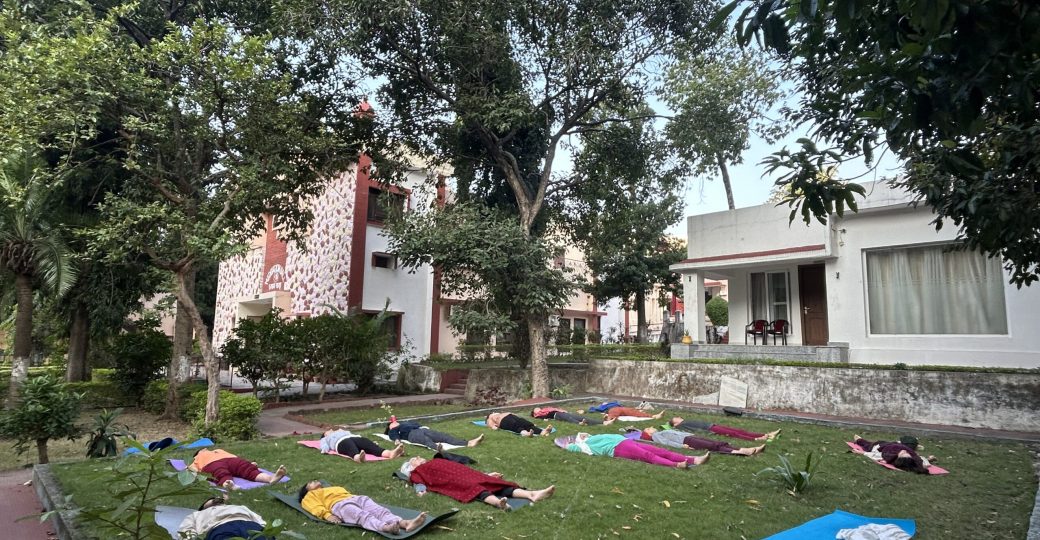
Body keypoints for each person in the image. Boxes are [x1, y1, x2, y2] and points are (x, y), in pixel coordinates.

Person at [399, 455, 555, 509]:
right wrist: (420, 490)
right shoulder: (416, 472)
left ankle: (532, 494)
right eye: (416, 459)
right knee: (473, 488)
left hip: (464, 473)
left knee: (493, 483)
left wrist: (486, 474)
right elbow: (418, 482)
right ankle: (497, 503)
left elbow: (464, 468)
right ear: (411, 465)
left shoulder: (435, 460)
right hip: (450, 481)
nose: (420, 458)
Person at [298, 480, 427, 534]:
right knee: (362, 516)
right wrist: (327, 515)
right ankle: (385, 527)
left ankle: (405, 523)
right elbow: (314, 507)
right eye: (310, 482)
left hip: (357, 498)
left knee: (380, 511)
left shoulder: (331, 488)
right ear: (306, 490)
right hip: (339, 505)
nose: (314, 481)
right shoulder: (309, 496)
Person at [564, 432, 710, 469]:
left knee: (660, 451)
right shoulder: (583, 446)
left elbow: (585, 435)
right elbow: (568, 446)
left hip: (625, 441)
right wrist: (571, 442)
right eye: (580, 437)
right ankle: (677, 465)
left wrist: (584, 435)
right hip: (618, 448)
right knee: (648, 456)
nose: (583, 436)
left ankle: (693, 460)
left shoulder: (591, 437)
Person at [178, 495, 272, 540]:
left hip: (250, 525)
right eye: (211, 499)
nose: (216, 500)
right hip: (220, 527)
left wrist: (265, 530)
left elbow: (259, 520)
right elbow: (186, 530)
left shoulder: (239, 507)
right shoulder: (197, 514)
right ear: (203, 506)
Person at [188, 449, 286, 490]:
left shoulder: (201, 458)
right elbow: (192, 469)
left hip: (219, 462)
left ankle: (270, 478)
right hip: (226, 461)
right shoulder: (199, 456)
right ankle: (269, 478)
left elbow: (192, 468)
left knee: (222, 472)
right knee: (247, 469)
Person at [625, 427, 765, 456]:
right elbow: (667, 443)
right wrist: (682, 445)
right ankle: (740, 452)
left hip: (689, 436)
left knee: (713, 442)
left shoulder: (659, 432)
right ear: (648, 433)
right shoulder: (657, 436)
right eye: (650, 428)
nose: (652, 427)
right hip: (687, 441)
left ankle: (740, 449)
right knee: (711, 446)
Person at [852, 435, 935, 474]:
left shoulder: (889, 456)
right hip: (892, 444)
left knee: (867, 444)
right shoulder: (914, 458)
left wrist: (861, 452)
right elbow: (921, 461)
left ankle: (859, 440)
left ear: (899, 458)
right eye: (906, 454)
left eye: (903, 454)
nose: (904, 451)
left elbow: (873, 455)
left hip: (879, 447)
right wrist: (927, 460)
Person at [385, 419, 484, 450]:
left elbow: (417, 424)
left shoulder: (405, 423)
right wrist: (397, 441)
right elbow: (393, 435)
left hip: (421, 429)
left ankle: (468, 443)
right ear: (390, 426)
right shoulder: (393, 429)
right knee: (425, 440)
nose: (395, 422)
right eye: (392, 423)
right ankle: (437, 447)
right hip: (411, 435)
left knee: (443, 436)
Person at [319, 429, 405, 462]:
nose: (330, 430)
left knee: (367, 443)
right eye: (327, 431)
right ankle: (358, 458)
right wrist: (324, 450)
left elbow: (352, 434)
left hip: (354, 437)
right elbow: (324, 445)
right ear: (325, 434)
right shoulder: (325, 438)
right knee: (350, 446)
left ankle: (390, 453)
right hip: (341, 442)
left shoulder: (341, 431)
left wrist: (370, 442)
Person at [668, 416, 781, 442]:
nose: (678, 417)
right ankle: (757, 439)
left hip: (712, 425)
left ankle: (765, 434)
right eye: (676, 418)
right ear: (675, 423)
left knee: (738, 431)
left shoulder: (684, 422)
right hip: (710, 429)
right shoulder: (681, 425)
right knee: (733, 433)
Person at [485, 412, 553, 437]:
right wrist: (494, 427)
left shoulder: (501, 413)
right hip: (503, 421)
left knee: (525, 423)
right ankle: (527, 434)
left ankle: (542, 432)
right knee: (515, 426)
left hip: (512, 416)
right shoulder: (490, 418)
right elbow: (492, 426)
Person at [532, 406, 614, 426]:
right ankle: (579, 423)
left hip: (561, 413)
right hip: (557, 415)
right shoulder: (538, 415)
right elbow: (542, 418)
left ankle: (604, 422)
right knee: (568, 418)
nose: (538, 409)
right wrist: (544, 419)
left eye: (538, 408)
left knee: (581, 417)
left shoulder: (546, 409)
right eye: (536, 409)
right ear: (534, 413)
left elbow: (555, 409)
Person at [599, 406, 665, 421]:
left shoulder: (613, 410)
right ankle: (654, 416)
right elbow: (610, 417)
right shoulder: (613, 410)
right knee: (636, 413)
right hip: (623, 410)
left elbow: (610, 417)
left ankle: (654, 416)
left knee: (635, 412)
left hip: (624, 410)